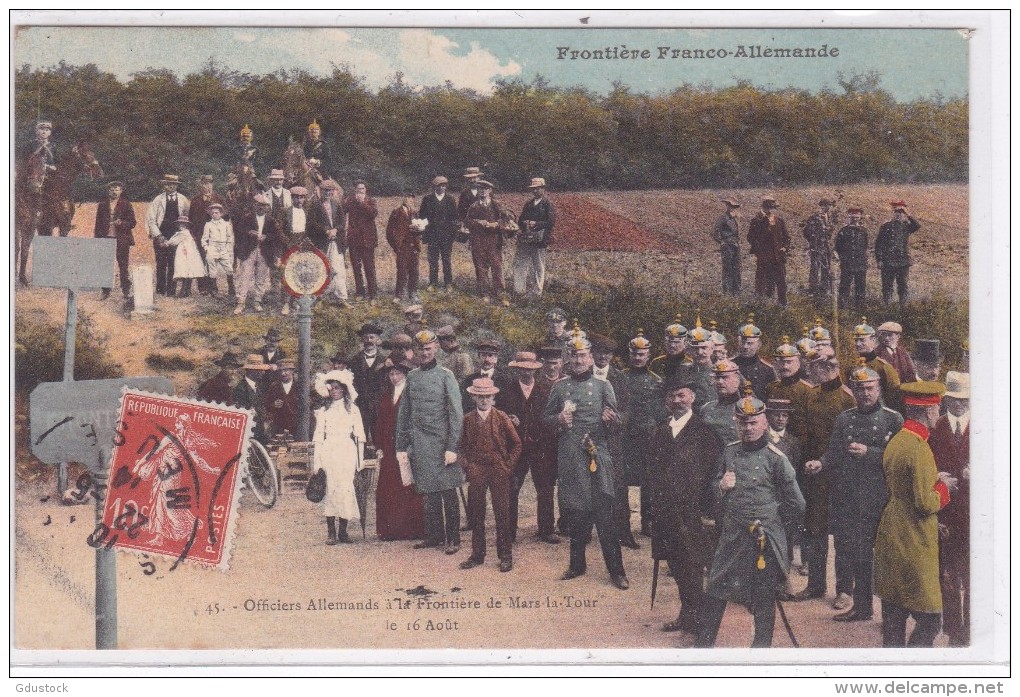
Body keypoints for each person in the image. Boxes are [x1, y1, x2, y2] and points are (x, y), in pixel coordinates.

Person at [694, 390, 805, 648]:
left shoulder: (776, 459)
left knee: (763, 595)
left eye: (754, 422)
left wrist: (777, 529)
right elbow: (713, 487)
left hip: (763, 538)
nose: (748, 428)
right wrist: (721, 487)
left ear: (764, 423)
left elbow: (797, 503)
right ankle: (703, 646)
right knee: (716, 588)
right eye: (743, 422)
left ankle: (760, 651)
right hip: (733, 535)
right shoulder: (730, 452)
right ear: (736, 422)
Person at [805, 362, 903, 620]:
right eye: (859, 389)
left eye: (869, 388)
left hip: (878, 499)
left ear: (879, 388)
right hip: (847, 497)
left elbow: (900, 458)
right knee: (853, 553)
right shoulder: (845, 418)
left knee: (883, 556)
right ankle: (862, 607)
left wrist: (870, 453)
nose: (865, 394)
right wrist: (821, 463)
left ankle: (893, 615)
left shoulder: (893, 419)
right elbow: (834, 451)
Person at [543, 329, 629, 590]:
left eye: (583, 355)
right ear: (568, 358)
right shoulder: (560, 387)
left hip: (598, 456)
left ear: (591, 357)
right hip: (571, 457)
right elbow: (545, 420)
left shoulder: (604, 386)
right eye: (574, 355)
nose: (579, 360)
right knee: (578, 513)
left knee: (605, 515)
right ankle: (577, 565)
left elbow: (619, 422)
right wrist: (557, 420)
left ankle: (617, 571)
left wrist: (611, 420)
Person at [874, 380, 954, 647]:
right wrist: (943, 487)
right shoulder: (920, 448)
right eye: (937, 409)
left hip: (892, 528)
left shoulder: (899, 440)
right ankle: (915, 666)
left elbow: (904, 483)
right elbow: (925, 503)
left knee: (894, 616)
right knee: (931, 619)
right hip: (913, 537)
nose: (938, 414)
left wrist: (932, 477)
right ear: (930, 411)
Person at [646, 374, 724, 635]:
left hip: (694, 513)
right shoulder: (660, 431)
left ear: (692, 397)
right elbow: (653, 474)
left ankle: (701, 619)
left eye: (682, 395)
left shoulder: (705, 433)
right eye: (671, 396)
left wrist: (708, 511)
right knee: (677, 565)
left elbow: (713, 475)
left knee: (695, 565)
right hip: (667, 512)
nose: (676, 400)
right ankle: (687, 613)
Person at [792, 352, 855, 602]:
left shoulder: (847, 398)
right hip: (815, 477)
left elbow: (850, 441)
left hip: (841, 478)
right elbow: (805, 434)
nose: (809, 372)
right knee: (815, 532)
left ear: (827, 368)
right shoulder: (812, 396)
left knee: (842, 536)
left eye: (813, 367)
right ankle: (815, 585)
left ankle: (844, 591)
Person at [395, 328, 465, 554]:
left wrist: (453, 447)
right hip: (421, 443)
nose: (424, 353)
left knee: (447, 490)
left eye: (428, 349)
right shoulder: (412, 377)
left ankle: (453, 538)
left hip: (443, 443)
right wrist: (401, 446)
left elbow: (456, 414)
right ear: (414, 351)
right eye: (420, 349)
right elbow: (404, 413)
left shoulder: (446, 375)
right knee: (427, 490)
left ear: (436, 349)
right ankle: (434, 536)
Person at [458, 378, 523, 572]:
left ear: (493, 397)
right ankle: (477, 554)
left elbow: (517, 444)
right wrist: (467, 466)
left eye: (487, 397)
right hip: (477, 468)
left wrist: (508, 466)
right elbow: (460, 447)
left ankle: (505, 555)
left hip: (498, 469)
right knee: (476, 513)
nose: (484, 400)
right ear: (474, 398)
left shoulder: (502, 417)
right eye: (480, 397)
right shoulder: (467, 419)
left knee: (502, 512)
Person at [131, 414, 220, 547]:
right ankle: (159, 537)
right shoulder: (170, 437)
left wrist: (211, 469)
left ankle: (190, 529)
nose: (175, 423)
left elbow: (197, 460)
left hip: (172, 476)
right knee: (158, 503)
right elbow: (155, 451)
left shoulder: (187, 441)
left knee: (169, 505)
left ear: (184, 424)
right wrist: (139, 465)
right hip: (161, 473)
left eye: (178, 422)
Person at [614, 330, 667, 546]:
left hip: (647, 436)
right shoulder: (620, 377)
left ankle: (648, 522)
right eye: (634, 354)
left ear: (648, 355)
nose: (638, 358)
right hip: (625, 437)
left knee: (649, 481)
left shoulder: (656, 380)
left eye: (642, 354)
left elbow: (661, 411)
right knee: (622, 481)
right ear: (629, 354)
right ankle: (622, 525)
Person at [500, 351, 557, 544]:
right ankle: (509, 531)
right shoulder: (507, 390)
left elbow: (552, 417)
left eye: (530, 369)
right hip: (516, 447)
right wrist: (509, 419)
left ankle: (547, 529)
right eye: (523, 369)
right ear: (517, 369)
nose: (527, 373)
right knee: (512, 487)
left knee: (545, 487)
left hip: (541, 446)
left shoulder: (546, 389)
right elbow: (500, 416)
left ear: (536, 369)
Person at [930, 372, 970, 646]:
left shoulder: (984, 427)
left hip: (973, 513)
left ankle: (973, 628)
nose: (959, 404)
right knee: (947, 574)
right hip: (945, 511)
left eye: (964, 400)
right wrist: (938, 477)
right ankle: (953, 628)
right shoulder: (938, 426)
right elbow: (928, 463)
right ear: (946, 400)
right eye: (954, 399)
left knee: (972, 573)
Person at [311, 369, 366, 545]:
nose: (334, 391)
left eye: (337, 388)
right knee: (331, 489)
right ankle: (331, 532)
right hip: (329, 451)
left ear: (343, 389)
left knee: (345, 489)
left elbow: (359, 437)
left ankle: (343, 531)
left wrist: (360, 460)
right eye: (331, 388)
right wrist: (317, 461)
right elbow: (319, 436)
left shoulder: (353, 409)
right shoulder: (324, 411)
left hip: (346, 452)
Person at [373, 359, 425, 542]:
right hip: (389, 446)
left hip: (406, 446)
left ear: (405, 375)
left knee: (408, 483)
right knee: (389, 486)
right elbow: (380, 421)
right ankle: (391, 530)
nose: (394, 377)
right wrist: (379, 444)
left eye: (398, 374)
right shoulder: (387, 395)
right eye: (392, 374)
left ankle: (412, 529)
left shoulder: (411, 393)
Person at [306, 179, 350, 310]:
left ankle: (341, 298)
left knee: (339, 270)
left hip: (336, 242)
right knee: (321, 270)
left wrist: (336, 230)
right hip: (321, 242)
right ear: (320, 191)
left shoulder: (337, 204)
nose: (328, 193)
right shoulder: (314, 205)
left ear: (333, 192)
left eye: (330, 190)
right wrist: (326, 231)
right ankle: (320, 298)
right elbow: (311, 224)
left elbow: (342, 222)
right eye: (325, 190)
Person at [464, 180, 511, 305]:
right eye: (480, 189)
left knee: (497, 268)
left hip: (494, 241)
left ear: (490, 191)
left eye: (485, 189)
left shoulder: (496, 204)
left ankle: (500, 294)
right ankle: (484, 293)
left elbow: (506, 218)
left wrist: (496, 224)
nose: (482, 191)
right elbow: (467, 221)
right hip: (478, 241)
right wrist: (478, 223)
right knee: (481, 268)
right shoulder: (473, 206)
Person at [233, 195, 281, 315]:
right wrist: (249, 232)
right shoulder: (246, 218)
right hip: (249, 250)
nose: (261, 208)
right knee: (245, 276)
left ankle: (257, 301)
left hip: (264, 251)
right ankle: (241, 302)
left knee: (261, 278)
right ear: (254, 205)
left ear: (267, 207)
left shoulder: (271, 220)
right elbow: (238, 232)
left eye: (264, 206)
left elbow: (275, 236)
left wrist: (266, 237)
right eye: (259, 205)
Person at [145, 174, 190, 297]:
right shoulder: (157, 200)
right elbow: (151, 220)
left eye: (173, 184)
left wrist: (181, 236)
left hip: (176, 236)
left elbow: (187, 218)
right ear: (164, 185)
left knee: (173, 263)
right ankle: (160, 290)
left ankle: (171, 290)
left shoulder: (183, 200)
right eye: (168, 184)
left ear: (177, 186)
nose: (170, 186)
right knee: (160, 263)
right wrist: (159, 236)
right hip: (161, 234)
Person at [349, 323, 389, 458]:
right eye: (366, 338)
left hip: (380, 406)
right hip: (360, 406)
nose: (369, 341)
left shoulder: (386, 361)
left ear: (377, 339)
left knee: (381, 439)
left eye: (372, 337)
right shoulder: (354, 361)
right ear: (362, 340)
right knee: (360, 438)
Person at [514, 177, 556, 298]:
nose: (535, 191)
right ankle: (519, 290)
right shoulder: (528, 204)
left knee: (538, 266)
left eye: (538, 188)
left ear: (543, 189)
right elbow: (520, 219)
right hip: (526, 237)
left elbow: (551, 222)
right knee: (520, 263)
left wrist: (536, 224)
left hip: (539, 239)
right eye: (533, 189)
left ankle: (536, 292)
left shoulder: (547, 204)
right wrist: (524, 223)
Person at [94, 180, 136, 300]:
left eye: (117, 189)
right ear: (108, 191)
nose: (114, 191)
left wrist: (121, 223)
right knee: (105, 265)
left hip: (122, 239)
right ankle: (105, 291)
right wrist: (98, 240)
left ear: (121, 191)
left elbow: (132, 222)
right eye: (112, 189)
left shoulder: (126, 204)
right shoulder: (102, 205)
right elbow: (97, 224)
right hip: (106, 238)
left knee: (123, 265)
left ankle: (126, 290)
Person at [850, 317, 902, 412]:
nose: (858, 344)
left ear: (873, 340)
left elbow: (894, 397)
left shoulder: (884, 367)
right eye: (856, 340)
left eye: (862, 340)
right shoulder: (851, 366)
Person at [747, 196, 791, 306]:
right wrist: (759, 251)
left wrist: (785, 247)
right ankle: (762, 305)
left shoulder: (779, 220)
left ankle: (782, 305)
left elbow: (787, 237)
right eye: (769, 208)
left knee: (781, 282)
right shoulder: (756, 221)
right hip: (764, 258)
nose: (771, 211)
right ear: (764, 208)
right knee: (762, 282)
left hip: (778, 257)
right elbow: (750, 238)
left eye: (773, 208)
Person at [875, 201, 921, 305]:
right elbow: (878, 244)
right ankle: (887, 306)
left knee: (903, 285)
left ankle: (902, 307)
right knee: (887, 286)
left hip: (903, 261)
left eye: (901, 212)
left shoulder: (907, 226)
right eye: (896, 211)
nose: (899, 214)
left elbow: (917, 226)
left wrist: (908, 214)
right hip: (887, 261)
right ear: (893, 212)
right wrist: (879, 260)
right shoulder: (885, 226)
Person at [419, 175, 460, 292]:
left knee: (446, 260)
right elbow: (422, 216)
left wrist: (453, 231)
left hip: (447, 236)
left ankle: (448, 283)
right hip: (432, 235)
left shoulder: (450, 199)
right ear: (434, 187)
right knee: (433, 260)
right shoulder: (427, 199)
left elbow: (455, 217)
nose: (442, 188)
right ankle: (433, 283)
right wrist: (424, 229)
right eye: (439, 186)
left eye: (444, 185)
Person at [187, 175, 223, 296]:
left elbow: (225, 216)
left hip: (214, 236)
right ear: (200, 185)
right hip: (199, 235)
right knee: (201, 260)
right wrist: (193, 233)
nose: (207, 186)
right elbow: (190, 219)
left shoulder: (218, 198)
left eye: (209, 184)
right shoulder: (195, 200)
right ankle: (202, 287)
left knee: (212, 261)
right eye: (204, 184)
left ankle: (213, 287)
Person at [344, 181, 379, 302]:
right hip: (354, 239)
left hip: (367, 240)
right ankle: (360, 292)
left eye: (362, 188)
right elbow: (343, 209)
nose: (360, 191)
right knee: (356, 267)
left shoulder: (371, 201)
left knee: (369, 267)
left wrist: (362, 203)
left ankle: (373, 293)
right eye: (358, 189)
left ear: (366, 189)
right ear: (355, 190)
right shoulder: (350, 200)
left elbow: (373, 214)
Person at [460, 337, 512, 412]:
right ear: (478, 357)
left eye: (490, 355)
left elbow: (507, 405)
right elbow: (465, 404)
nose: (487, 359)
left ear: (496, 358)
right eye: (483, 355)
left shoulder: (505, 381)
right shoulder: (469, 380)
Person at [386, 193, 422, 302]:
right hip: (402, 246)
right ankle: (399, 294)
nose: (410, 200)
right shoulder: (396, 213)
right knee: (401, 270)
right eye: (408, 198)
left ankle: (413, 292)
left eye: (412, 198)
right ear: (403, 199)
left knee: (414, 270)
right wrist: (396, 246)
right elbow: (389, 232)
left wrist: (419, 230)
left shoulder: (415, 213)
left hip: (414, 245)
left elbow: (421, 229)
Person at [732, 315, 776, 400]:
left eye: (749, 343)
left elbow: (771, 398)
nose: (745, 347)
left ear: (759, 345)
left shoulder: (767, 369)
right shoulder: (730, 365)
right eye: (743, 343)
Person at [675, 317, 715, 411]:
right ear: (688, 350)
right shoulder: (682, 371)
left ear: (712, 348)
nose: (700, 352)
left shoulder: (723, 371)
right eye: (695, 348)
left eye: (704, 348)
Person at [833, 206, 869, 309]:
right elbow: (837, 247)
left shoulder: (863, 231)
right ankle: (842, 307)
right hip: (847, 263)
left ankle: (860, 307)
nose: (855, 219)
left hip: (860, 263)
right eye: (853, 217)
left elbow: (866, 247)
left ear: (860, 217)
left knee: (860, 286)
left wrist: (865, 259)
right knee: (844, 285)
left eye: (857, 217)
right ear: (849, 217)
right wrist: (843, 258)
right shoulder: (843, 231)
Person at [700, 359, 742, 445]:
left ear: (737, 380)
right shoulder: (706, 409)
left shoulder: (745, 409)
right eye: (717, 377)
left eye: (725, 377)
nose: (720, 382)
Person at [233, 354, 272, 444]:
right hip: (249, 436)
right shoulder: (240, 389)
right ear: (251, 371)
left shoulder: (257, 386)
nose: (263, 373)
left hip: (258, 433)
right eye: (260, 370)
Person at [201, 202, 236, 301]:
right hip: (212, 248)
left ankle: (231, 288)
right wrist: (207, 248)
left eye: (216, 213)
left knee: (229, 268)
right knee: (212, 270)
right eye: (212, 213)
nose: (214, 215)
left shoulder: (226, 224)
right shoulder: (208, 225)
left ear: (221, 213)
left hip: (223, 248)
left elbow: (230, 238)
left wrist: (228, 249)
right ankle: (214, 290)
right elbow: (204, 239)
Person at [803, 198, 837, 297]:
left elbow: (829, 232)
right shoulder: (814, 217)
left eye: (830, 206)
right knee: (815, 268)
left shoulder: (829, 217)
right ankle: (813, 289)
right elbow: (806, 232)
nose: (829, 208)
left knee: (826, 267)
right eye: (827, 205)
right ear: (822, 206)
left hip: (826, 247)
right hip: (817, 247)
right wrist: (813, 242)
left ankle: (824, 289)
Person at [169, 214, 206, 298]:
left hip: (186, 254)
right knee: (187, 271)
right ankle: (186, 290)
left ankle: (184, 291)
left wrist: (166, 242)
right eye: (180, 224)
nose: (182, 226)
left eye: (184, 224)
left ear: (187, 225)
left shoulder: (184, 233)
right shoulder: (185, 233)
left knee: (186, 270)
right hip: (188, 253)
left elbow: (173, 241)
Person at [711, 198, 742, 295]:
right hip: (727, 247)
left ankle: (736, 292)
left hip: (735, 246)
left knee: (736, 269)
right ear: (727, 206)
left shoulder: (734, 219)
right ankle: (727, 292)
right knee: (727, 269)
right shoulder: (723, 218)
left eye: (734, 207)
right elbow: (714, 233)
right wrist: (722, 242)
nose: (732, 209)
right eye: (731, 206)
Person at [262, 358, 299, 438]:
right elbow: (265, 404)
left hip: (297, 427)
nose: (283, 373)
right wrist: (273, 405)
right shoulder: (274, 386)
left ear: (292, 371)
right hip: (279, 427)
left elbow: (315, 400)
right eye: (280, 371)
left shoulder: (300, 386)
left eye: (286, 370)